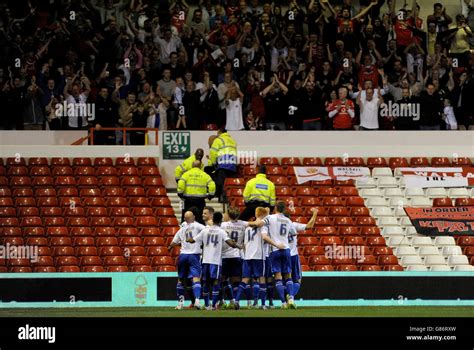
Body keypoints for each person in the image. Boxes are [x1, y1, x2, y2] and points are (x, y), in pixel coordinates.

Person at [186, 212, 242, 310]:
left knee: (206, 283)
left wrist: (187, 239)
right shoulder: (221, 231)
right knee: (216, 282)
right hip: (215, 262)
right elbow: (231, 244)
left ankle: (207, 305)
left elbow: (192, 240)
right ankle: (213, 305)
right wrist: (239, 246)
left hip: (205, 261)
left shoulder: (205, 230)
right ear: (220, 220)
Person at [249, 201, 296, 309]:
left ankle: (284, 303)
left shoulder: (270, 218)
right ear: (284, 209)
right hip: (286, 249)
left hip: (275, 250)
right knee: (288, 275)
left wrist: (247, 223)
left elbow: (259, 224)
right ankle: (291, 299)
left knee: (278, 277)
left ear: (275, 208)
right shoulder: (288, 220)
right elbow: (293, 232)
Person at [235, 207, 273, 309]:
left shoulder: (247, 227)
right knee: (261, 279)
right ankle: (263, 304)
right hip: (258, 256)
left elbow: (243, 242)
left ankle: (237, 300)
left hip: (248, 256)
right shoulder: (263, 225)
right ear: (263, 215)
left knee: (245, 279)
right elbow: (263, 232)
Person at [167, 211, 205, 310]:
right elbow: (207, 231)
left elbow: (173, 243)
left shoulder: (182, 229)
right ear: (193, 217)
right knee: (196, 278)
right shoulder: (198, 226)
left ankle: (180, 304)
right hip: (194, 255)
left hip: (183, 255)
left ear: (184, 219)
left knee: (180, 279)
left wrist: (170, 247)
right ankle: (197, 300)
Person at [220, 207, 247, 309]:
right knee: (236, 280)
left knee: (223, 279)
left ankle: (227, 300)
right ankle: (236, 300)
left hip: (225, 255)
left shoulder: (223, 225)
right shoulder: (243, 224)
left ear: (228, 214)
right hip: (237, 255)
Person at [287, 208, 318, 299]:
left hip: (281, 255)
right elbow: (309, 226)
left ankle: (283, 301)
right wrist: (315, 213)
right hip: (293, 255)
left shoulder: (275, 227)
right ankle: (291, 298)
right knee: (297, 279)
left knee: (284, 279)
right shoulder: (293, 225)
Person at [207, 129, 237, 202]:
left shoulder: (218, 140)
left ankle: (222, 198)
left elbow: (213, 152)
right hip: (232, 165)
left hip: (223, 164)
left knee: (221, 183)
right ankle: (229, 198)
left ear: (220, 133)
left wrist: (213, 163)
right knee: (229, 184)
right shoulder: (233, 140)